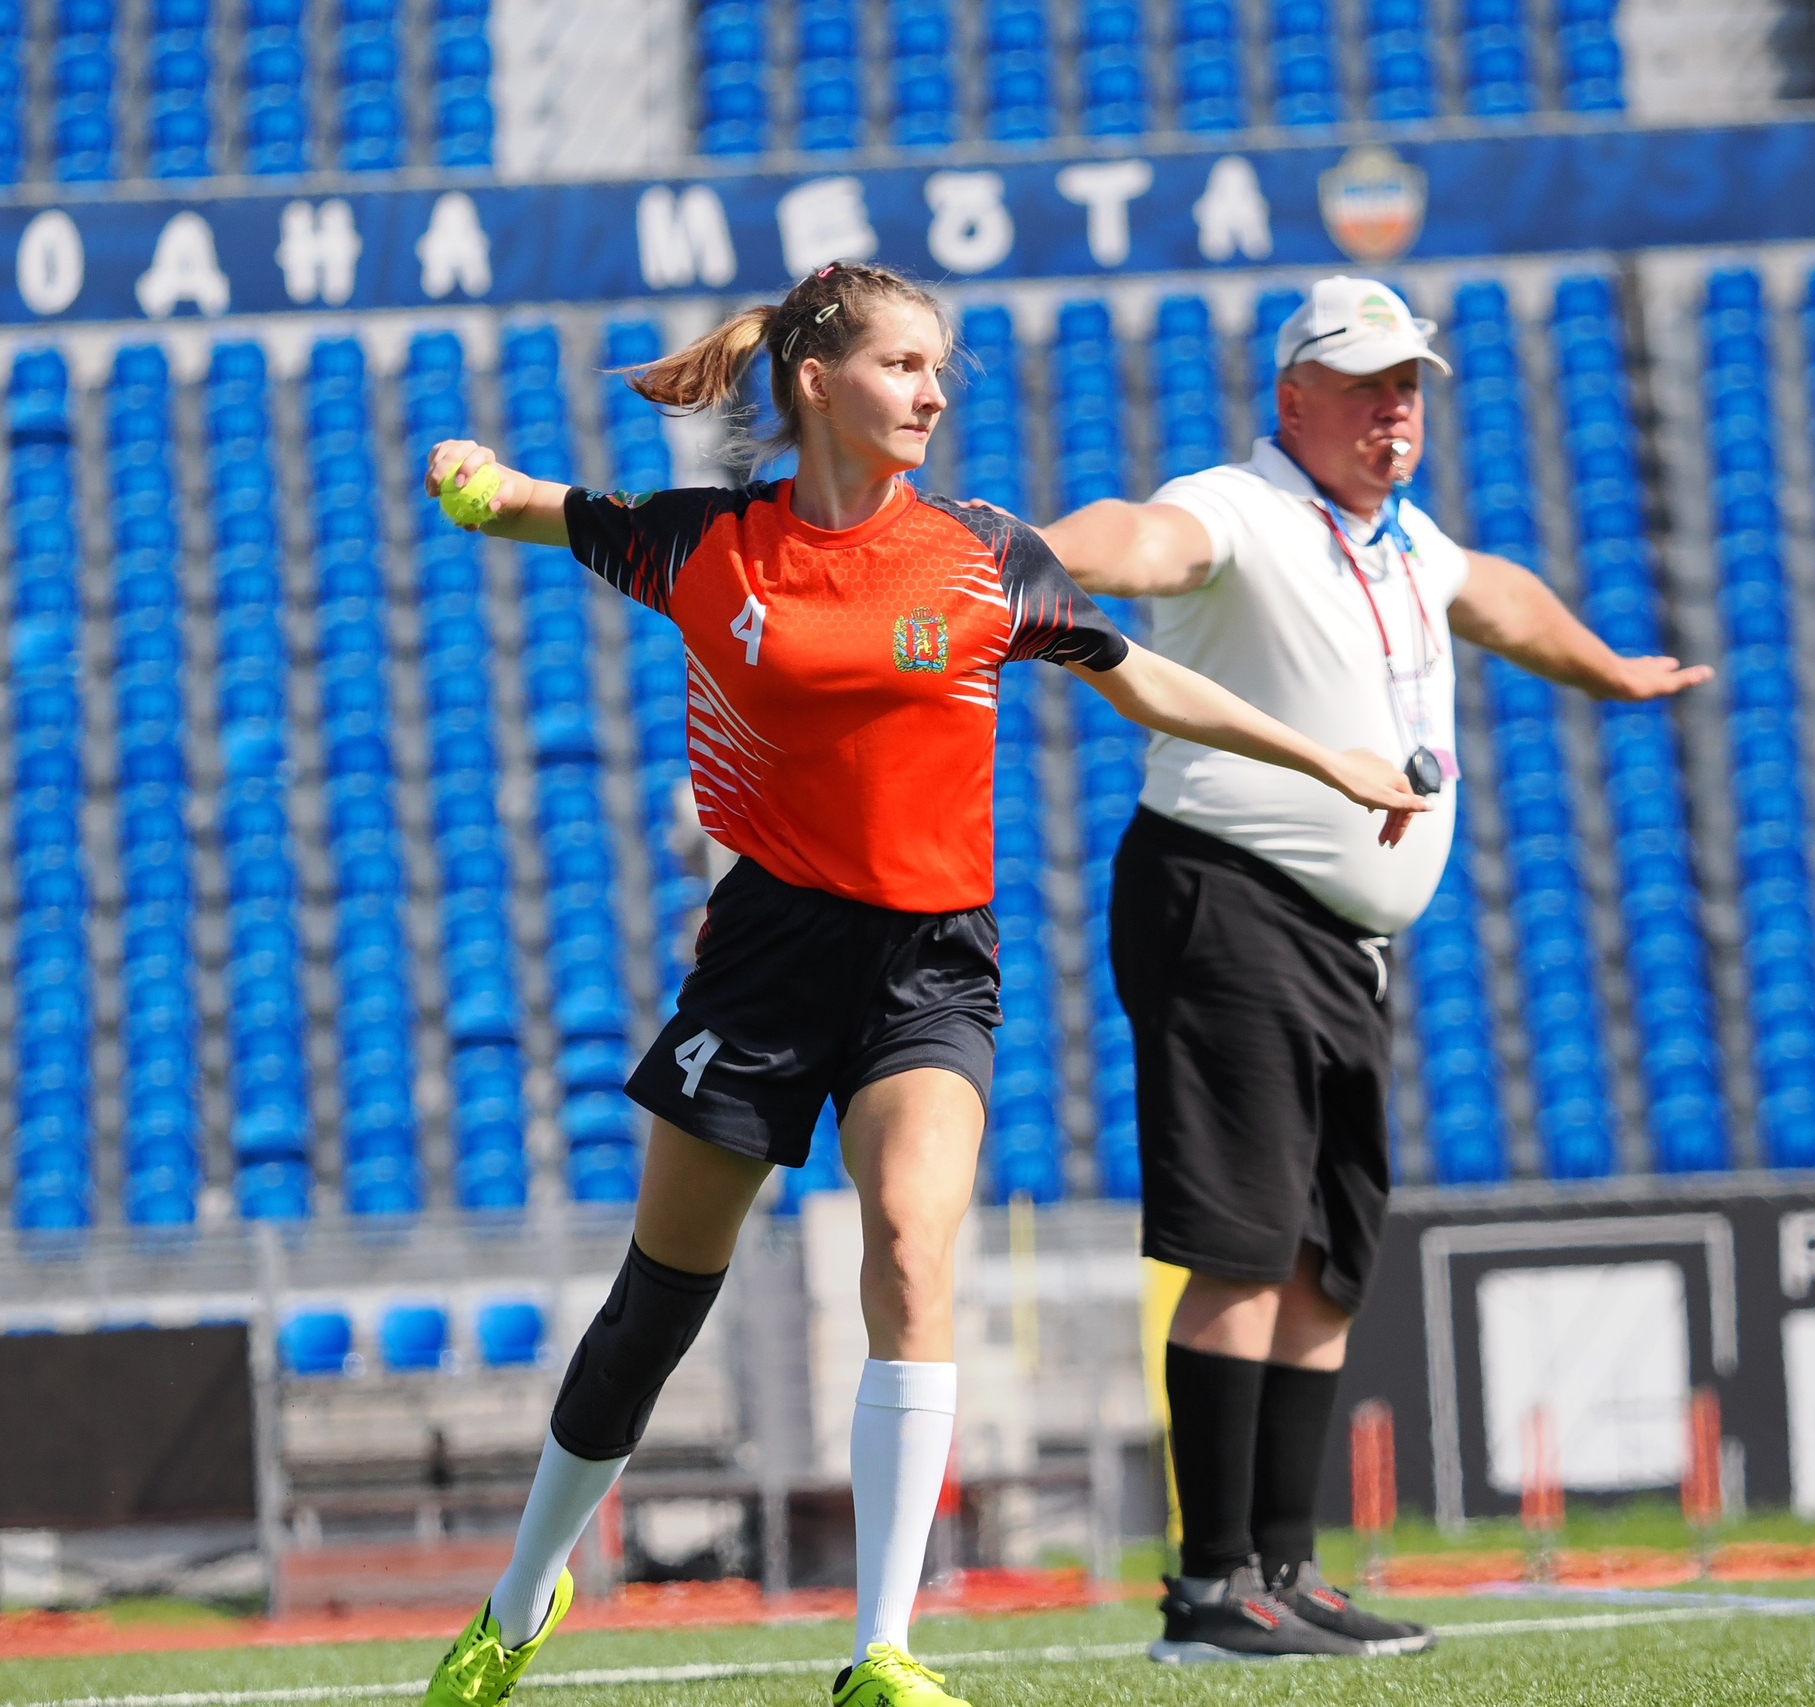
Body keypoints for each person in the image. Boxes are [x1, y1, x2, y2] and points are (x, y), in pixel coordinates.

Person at [416, 262, 1432, 1707]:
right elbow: (540, 507)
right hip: (762, 968)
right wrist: (473, 480)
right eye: (903, 366)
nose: (934, 394)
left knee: (909, 1251)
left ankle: (882, 1651)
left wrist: (1326, 759)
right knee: (658, 1307)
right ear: (815, 382)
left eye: (940, 370)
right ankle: (522, 1598)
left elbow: (1138, 676)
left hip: (932, 965)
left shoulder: (986, 554)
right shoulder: (707, 546)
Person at [1038, 275, 1712, 1662]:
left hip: (1348, 941)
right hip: (1226, 898)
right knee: (1243, 1251)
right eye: (1363, 387)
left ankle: (1284, 1572)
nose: (1393, 412)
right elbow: (1142, 539)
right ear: (1294, 399)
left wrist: (1603, 668)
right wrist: (1035, 551)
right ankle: (1209, 1593)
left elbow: (1496, 593)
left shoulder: (1405, 538)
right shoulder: (1242, 505)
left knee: (1325, 1262)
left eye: (1407, 387)